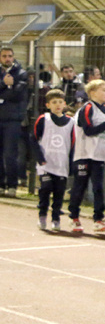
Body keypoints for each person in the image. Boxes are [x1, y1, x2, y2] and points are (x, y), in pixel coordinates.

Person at [68, 79, 105, 233]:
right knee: (80, 186)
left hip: (99, 155)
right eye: (103, 89)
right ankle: (74, 218)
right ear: (92, 92)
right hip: (84, 154)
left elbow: (101, 133)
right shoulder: (86, 109)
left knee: (98, 187)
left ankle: (98, 219)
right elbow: (88, 130)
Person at [32, 89, 75, 231]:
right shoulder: (43, 119)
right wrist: (40, 158)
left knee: (59, 193)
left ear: (64, 104)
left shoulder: (70, 122)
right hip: (46, 163)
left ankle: (56, 218)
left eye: (60, 102)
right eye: (54, 102)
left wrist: (71, 164)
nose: (57, 105)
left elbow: (73, 144)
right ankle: (42, 215)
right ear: (48, 105)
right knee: (45, 189)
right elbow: (33, 139)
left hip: (61, 164)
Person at [0, 46, 28, 197]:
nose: (7, 59)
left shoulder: (21, 73)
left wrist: (5, 92)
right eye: (4, 56)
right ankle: (0, 185)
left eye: (10, 56)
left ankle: (12, 185)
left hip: (13, 119)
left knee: (10, 154)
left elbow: (17, 95)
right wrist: (4, 83)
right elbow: (9, 91)